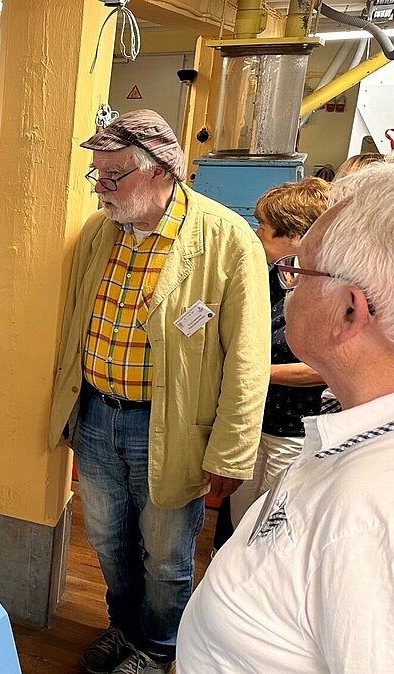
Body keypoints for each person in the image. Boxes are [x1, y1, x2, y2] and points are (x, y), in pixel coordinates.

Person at [48, 109, 270, 674]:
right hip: (98, 414)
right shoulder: (102, 231)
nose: (99, 188)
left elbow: (249, 356)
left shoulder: (226, 239)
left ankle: (159, 646)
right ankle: (123, 629)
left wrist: (232, 448)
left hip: (169, 426)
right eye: (95, 174)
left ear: (159, 172)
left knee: (167, 552)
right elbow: (77, 321)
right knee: (108, 540)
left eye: (111, 175)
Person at [177, 162, 394, 671]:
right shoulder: (354, 442)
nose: (287, 284)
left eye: (300, 272)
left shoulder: (368, 514)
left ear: (349, 311)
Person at [226, 178, 329, 528]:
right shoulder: (267, 276)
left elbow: (323, 368)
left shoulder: (326, 290)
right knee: (239, 521)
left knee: (272, 524)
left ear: (296, 236)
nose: (256, 233)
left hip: (294, 431)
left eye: (264, 228)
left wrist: (257, 372)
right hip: (252, 422)